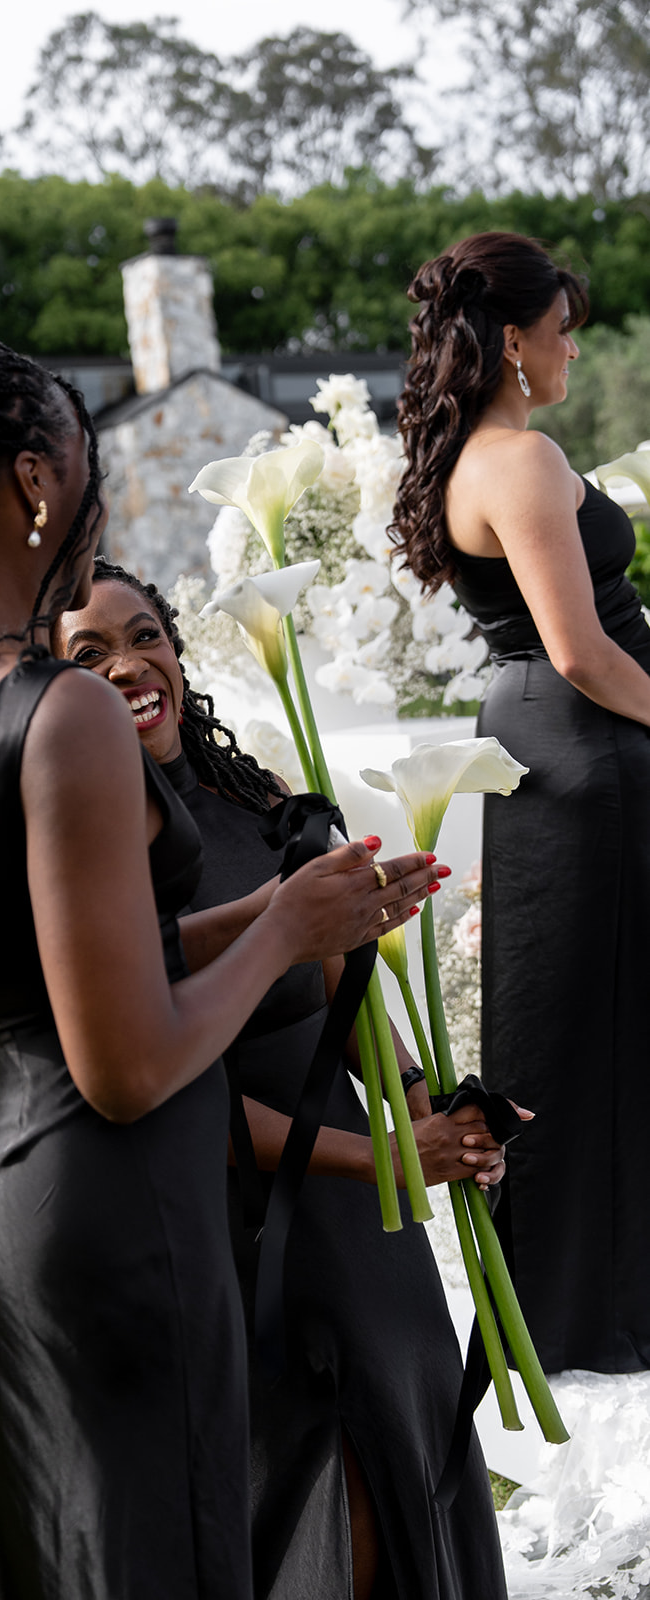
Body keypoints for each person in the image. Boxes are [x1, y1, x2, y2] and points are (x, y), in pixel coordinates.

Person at [0, 316, 441, 1600]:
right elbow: (127, 1066)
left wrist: (275, 909)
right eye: (87, 465)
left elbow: (36, 970)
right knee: (162, 1553)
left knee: (70, 1550)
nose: (96, 501)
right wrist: (285, 932)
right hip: (109, 1198)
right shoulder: (67, 712)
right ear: (37, 479)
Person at [54, 559, 510, 1600]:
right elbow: (170, 1091)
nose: (127, 666)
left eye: (144, 636)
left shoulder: (250, 795)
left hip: (357, 1201)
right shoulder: (90, 854)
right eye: (87, 656)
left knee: (408, 1418)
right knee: (322, 1474)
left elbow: (339, 976)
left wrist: (425, 1109)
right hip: (233, 1211)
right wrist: (382, 1156)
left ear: (176, 650)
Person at [391, 231, 650, 1378]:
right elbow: (581, 649)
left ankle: (561, 1302)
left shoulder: (469, 461)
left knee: (562, 1023)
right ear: (509, 339)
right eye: (559, 330)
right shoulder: (521, 460)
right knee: (601, 1028)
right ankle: (596, 1310)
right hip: (588, 747)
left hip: (540, 741)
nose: (570, 350)